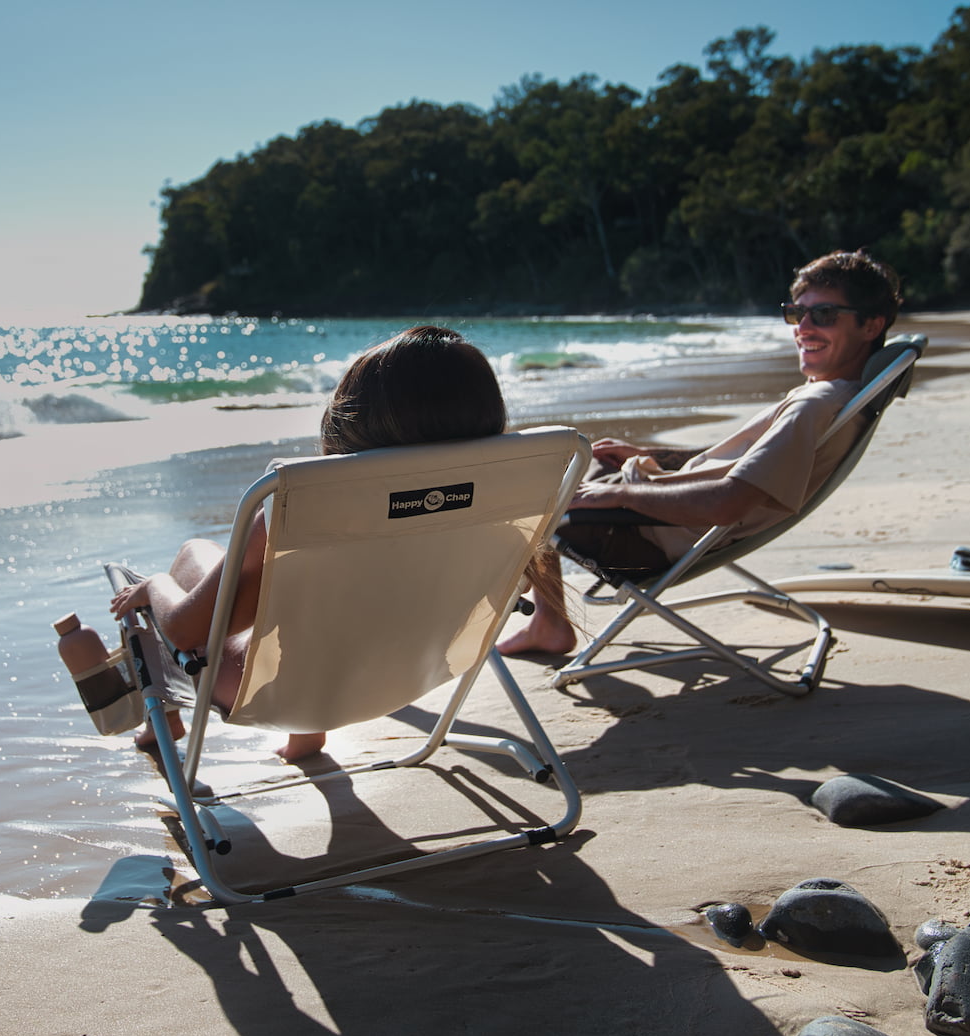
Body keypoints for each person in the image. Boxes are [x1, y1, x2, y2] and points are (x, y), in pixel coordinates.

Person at [111, 325, 511, 761]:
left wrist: (152, 587)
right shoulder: (503, 504)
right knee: (322, 587)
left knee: (197, 559)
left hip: (282, 696)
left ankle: (164, 717)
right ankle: (305, 737)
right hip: (417, 676)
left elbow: (184, 630)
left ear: (351, 419)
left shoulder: (302, 507)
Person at [499, 249, 904, 656]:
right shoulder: (832, 399)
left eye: (826, 315)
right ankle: (548, 620)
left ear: (871, 325)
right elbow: (742, 464)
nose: (805, 328)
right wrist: (649, 454)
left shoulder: (814, 406)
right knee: (572, 467)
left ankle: (539, 623)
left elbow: (726, 504)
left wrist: (617, 495)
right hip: (657, 514)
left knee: (523, 495)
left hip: (649, 534)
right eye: (798, 314)